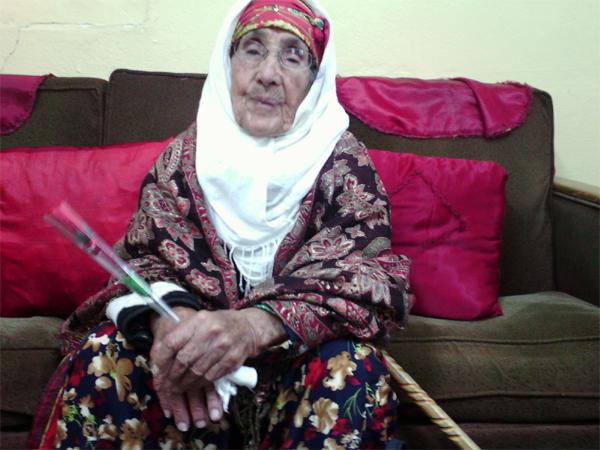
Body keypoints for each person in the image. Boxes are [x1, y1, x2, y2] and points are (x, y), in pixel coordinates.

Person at [30, 0, 411, 448]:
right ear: (228, 63)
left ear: (315, 79)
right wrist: (174, 326)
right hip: (192, 386)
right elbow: (143, 261)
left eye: (292, 57)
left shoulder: (345, 164)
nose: (268, 74)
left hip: (298, 377)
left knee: (354, 367)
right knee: (105, 354)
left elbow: (369, 282)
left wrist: (252, 326)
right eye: (253, 50)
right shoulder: (182, 159)